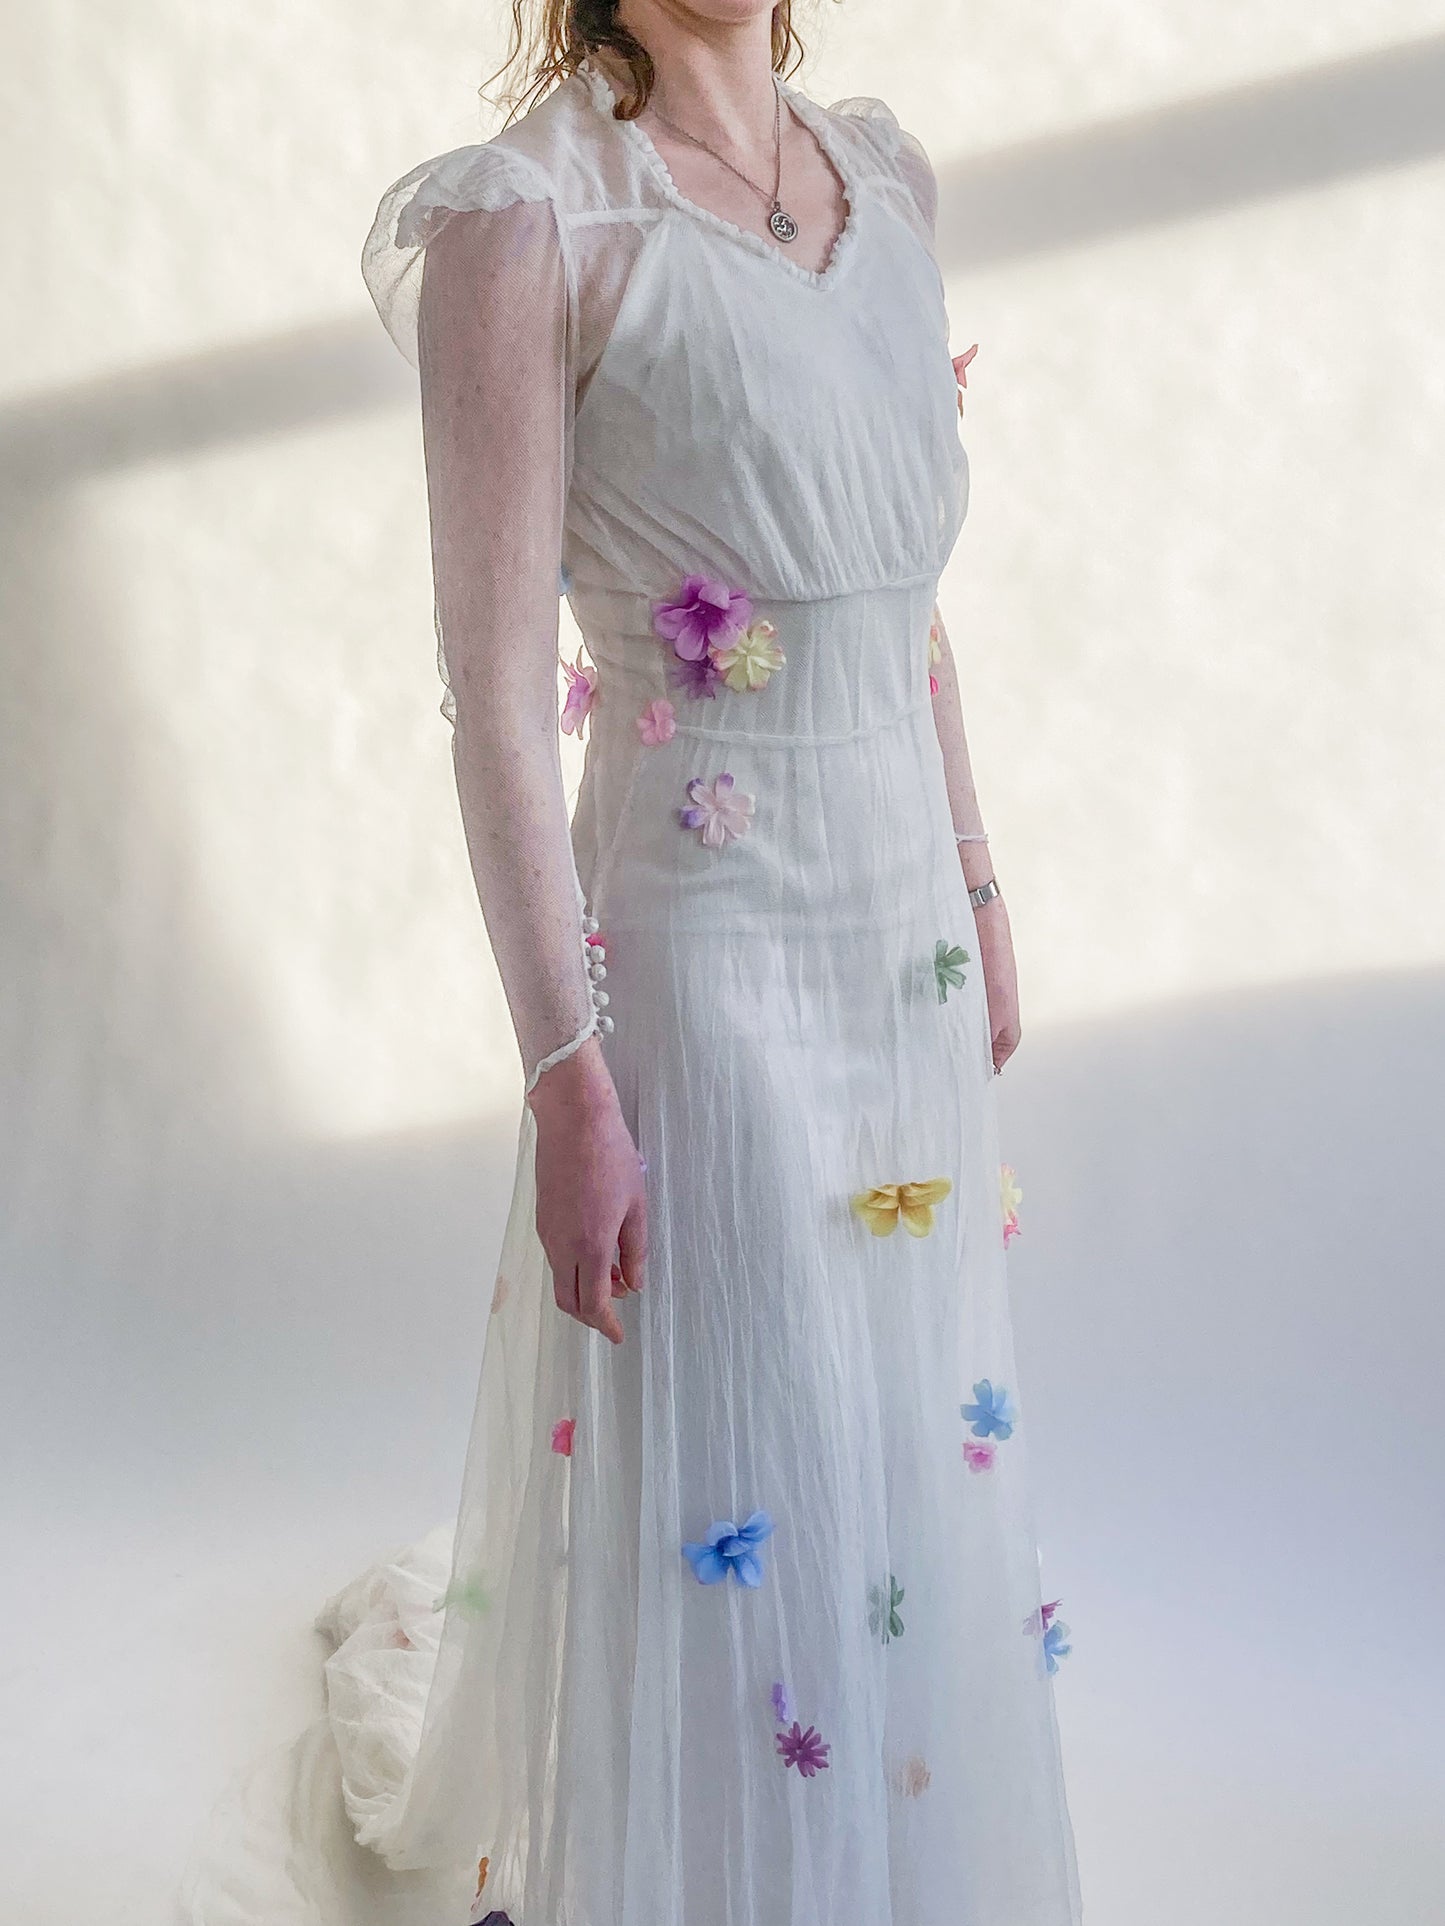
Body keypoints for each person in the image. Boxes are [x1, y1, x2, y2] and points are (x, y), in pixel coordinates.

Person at [181, 5, 1083, 1922]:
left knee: (883, 1410)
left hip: (891, 916)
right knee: (744, 1407)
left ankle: (874, 1848)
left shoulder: (889, 176)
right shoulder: (529, 226)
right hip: (706, 940)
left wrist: (982, 880)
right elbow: (497, 703)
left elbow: (906, 607)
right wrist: (565, 1071)